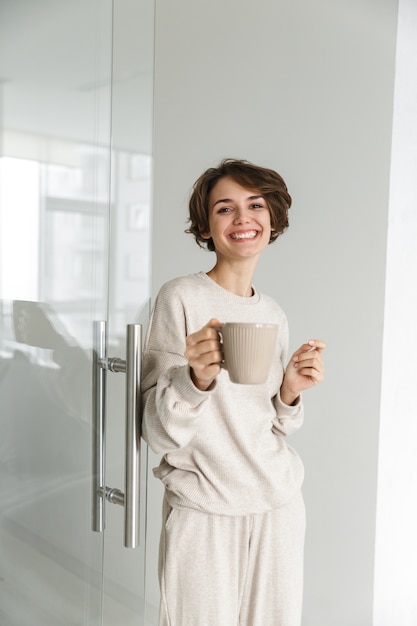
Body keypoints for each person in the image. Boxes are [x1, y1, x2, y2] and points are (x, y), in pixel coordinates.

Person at [141, 158, 325, 626]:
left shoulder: (274, 314)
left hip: (278, 505)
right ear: (206, 225)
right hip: (205, 508)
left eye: (255, 205)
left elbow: (274, 424)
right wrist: (194, 380)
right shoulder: (180, 298)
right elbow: (156, 433)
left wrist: (289, 392)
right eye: (225, 208)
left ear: (272, 219)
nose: (243, 219)